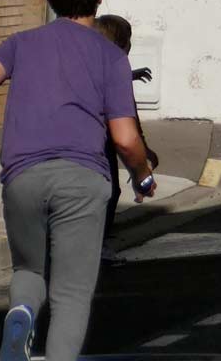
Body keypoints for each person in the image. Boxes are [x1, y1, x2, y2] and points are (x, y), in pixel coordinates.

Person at [0, 0, 156, 361]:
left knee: (28, 270)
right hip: (82, 182)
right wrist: (142, 174)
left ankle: (21, 312)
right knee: (70, 295)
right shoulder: (110, 56)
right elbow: (124, 138)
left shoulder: (22, 43)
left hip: (23, 178)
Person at [94, 14, 160, 264]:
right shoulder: (116, 70)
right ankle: (97, 246)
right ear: (122, 46)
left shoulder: (89, 64)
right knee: (109, 192)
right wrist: (143, 159)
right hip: (102, 141)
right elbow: (128, 122)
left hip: (84, 141)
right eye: (127, 42)